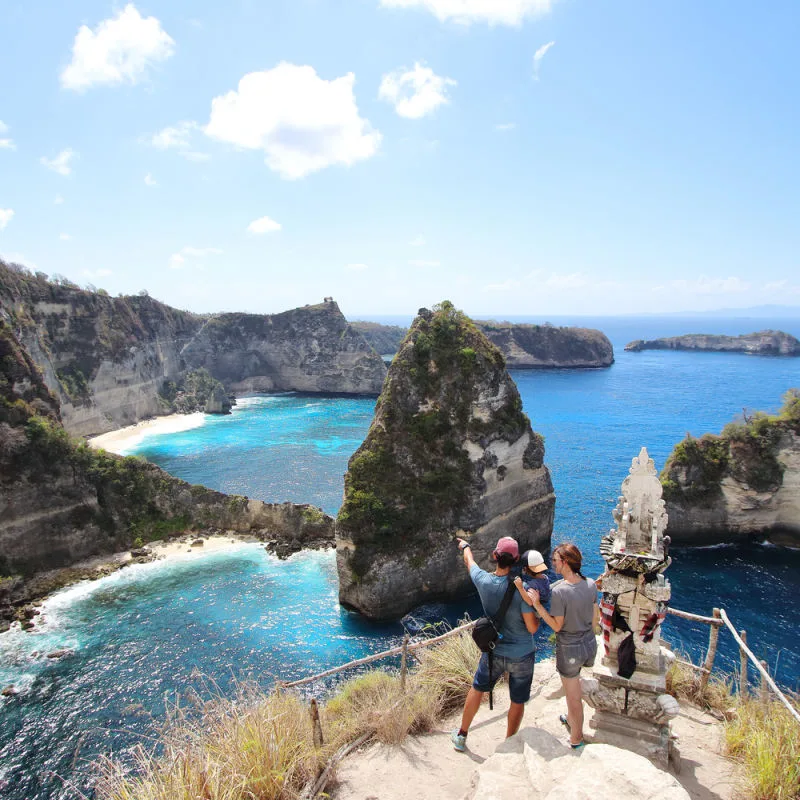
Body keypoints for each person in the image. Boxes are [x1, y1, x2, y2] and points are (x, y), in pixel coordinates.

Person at [451, 535, 539, 753]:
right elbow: (532, 628)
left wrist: (466, 546)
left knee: (478, 688)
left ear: (494, 556)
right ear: (517, 559)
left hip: (494, 651)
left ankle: (462, 735)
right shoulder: (523, 591)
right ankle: (509, 742)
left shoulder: (484, 581)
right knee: (517, 700)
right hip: (522, 653)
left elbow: (469, 562)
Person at [519, 543, 597, 750]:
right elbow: (595, 619)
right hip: (589, 644)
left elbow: (555, 626)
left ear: (565, 563)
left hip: (570, 649)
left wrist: (536, 605)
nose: (551, 563)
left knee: (573, 697)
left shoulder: (560, 592)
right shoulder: (590, 584)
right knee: (573, 685)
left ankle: (576, 739)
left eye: (555, 560)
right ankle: (572, 721)